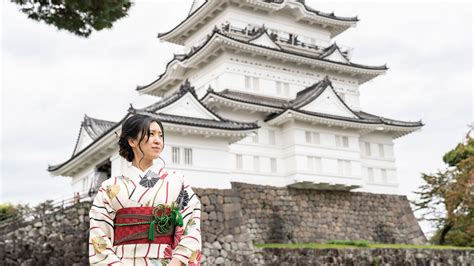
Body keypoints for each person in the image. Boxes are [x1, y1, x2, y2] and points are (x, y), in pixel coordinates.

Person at [88, 114, 202, 265]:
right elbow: (99, 234)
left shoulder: (176, 181)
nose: (157, 140)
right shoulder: (110, 187)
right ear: (132, 141)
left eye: (160, 135)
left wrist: (178, 261)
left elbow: (191, 224)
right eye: (151, 134)